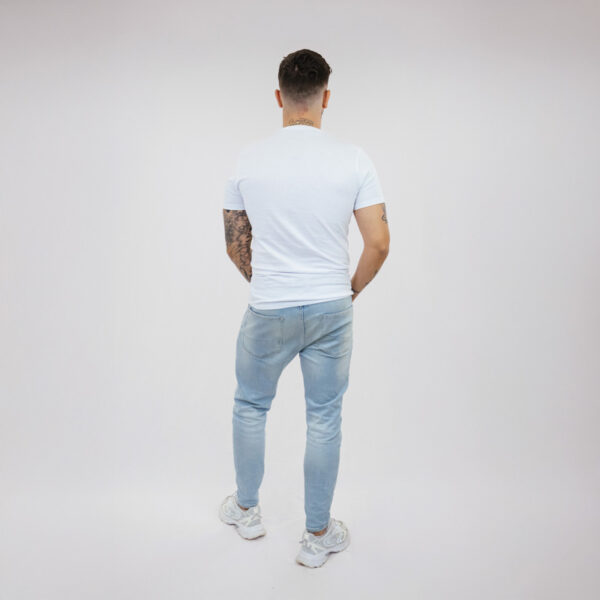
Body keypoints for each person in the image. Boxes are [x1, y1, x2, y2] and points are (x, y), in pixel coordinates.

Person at [219, 49, 390, 568]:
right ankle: (317, 537)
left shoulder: (247, 160)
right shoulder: (354, 159)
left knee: (251, 406)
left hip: (268, 308)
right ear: (325, 98)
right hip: (330, 308)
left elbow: (234, 243)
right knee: (324, 418)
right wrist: (349, 290)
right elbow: (379, 243)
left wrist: (270, 284)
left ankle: (246, 512)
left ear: (279, 97)